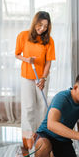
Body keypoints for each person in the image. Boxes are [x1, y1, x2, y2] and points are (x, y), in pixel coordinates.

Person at [15, 11, 56, 145]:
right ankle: (28, 140)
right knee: (29, 108)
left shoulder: (49, 40)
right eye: (40, 24)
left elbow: (49, 62)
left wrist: (43, 78)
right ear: (35, 22)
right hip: (27, 76)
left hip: (42, 78)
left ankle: (42, 138)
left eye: (46, 26)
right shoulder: (23, 35)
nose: (42, 28)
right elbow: (17, 54)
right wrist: (27, 59)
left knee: (42, 107)